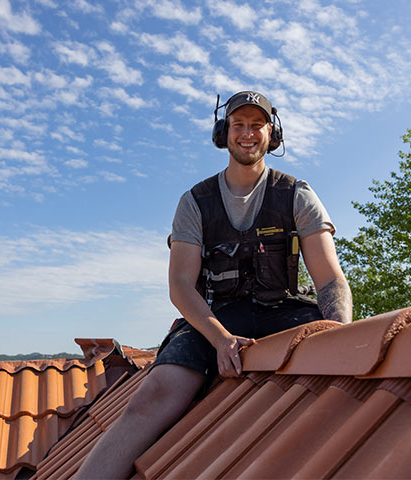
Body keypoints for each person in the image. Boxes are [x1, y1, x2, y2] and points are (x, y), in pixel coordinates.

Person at [74, 91, 352, 479]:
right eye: (239, 125)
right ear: (225, 133)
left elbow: (330, 279)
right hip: (214, 319)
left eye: (257, 125)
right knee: (152, 398)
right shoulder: (195, 202)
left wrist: (338, 334)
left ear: (273, 133)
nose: (248, 134)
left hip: (284, 312)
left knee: (343, 386)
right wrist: (221, 339)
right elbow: (181, 286)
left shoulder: (297, 194)